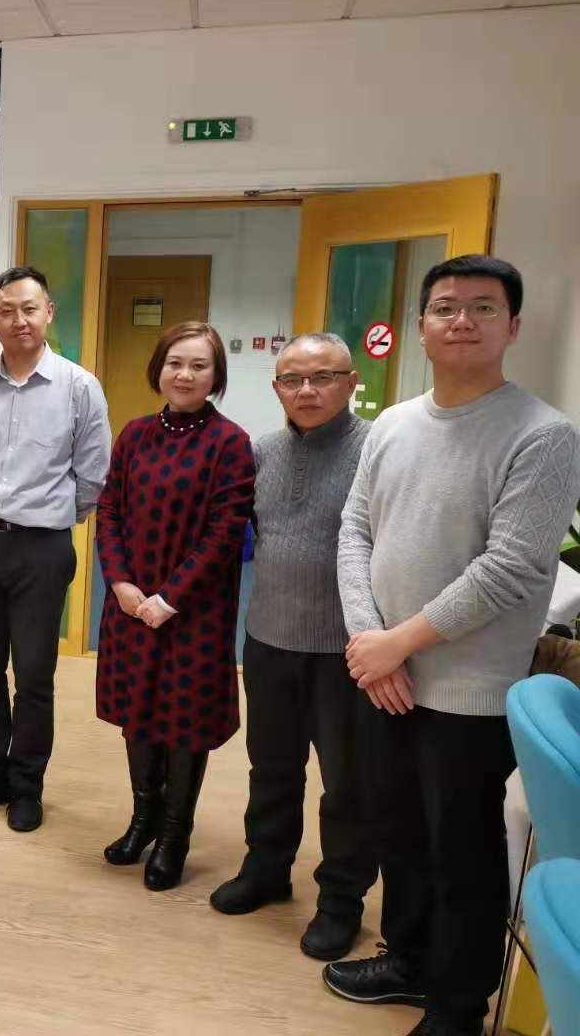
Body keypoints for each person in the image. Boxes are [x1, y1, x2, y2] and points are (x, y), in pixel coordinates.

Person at [325, 255, 580, 1036]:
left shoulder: (544, 435)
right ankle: (408, 960)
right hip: (383, 675)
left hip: (467, 691)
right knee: (396, 831)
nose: (461, 319)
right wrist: (370, 642)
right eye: (444, 307)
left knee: (460, 850)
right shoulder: (394, 424)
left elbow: (510, 569)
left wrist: (395, 644)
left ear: (513, 325)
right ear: (421, 327)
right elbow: (354, 529)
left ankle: (458, 1005)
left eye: (482, 306)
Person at [208, 333, 377, 961]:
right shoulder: (262, 452)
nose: (307, 390)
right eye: (292, 379)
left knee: (347, 784)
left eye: (322, 377)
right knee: (272, 767)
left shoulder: (378, 449)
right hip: (269, 639)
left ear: (350, 381)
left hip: (347, 651)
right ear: (276, 387)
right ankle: (266, 868)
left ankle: (341, 900)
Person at [0, 266, 110, 832]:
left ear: (48, 314)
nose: (19, 320)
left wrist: (51, 518)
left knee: (35, 675)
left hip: (41, 549)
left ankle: (26, 785)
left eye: (29, 308)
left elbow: (92, 476)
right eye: (6, 310)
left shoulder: (79, 387)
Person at [94, 321, 255, 891]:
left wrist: (171, 597)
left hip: (195, 614)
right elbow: (109, 511)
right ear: (159, 369)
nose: (185, 375)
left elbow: (225, 530)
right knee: (137, 713)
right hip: (132, 604)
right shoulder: (135, 434)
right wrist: (120, 582)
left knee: (184, 724)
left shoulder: (230, 442)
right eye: (175, 363)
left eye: (199, 366)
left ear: (216, 376)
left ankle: (173, 835)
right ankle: (142, 820)